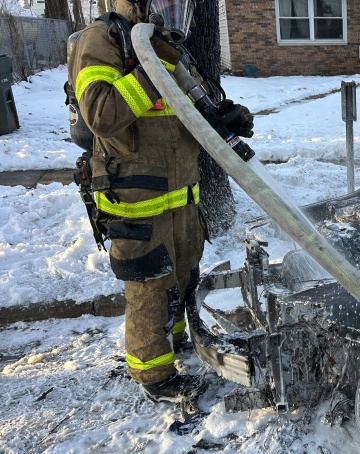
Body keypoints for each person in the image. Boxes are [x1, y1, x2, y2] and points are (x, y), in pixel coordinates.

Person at [67, 0, 254, 403]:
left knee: (183, 277)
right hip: (136, 198)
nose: (174, 10)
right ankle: (154, 375)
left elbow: (195, 104)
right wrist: (154, 71)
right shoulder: (102, 40)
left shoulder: (167, 46)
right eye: (165, 2)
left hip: (182, 194)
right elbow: (101, 114)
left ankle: (175, 342)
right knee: (150, 288)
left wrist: (228, 115)